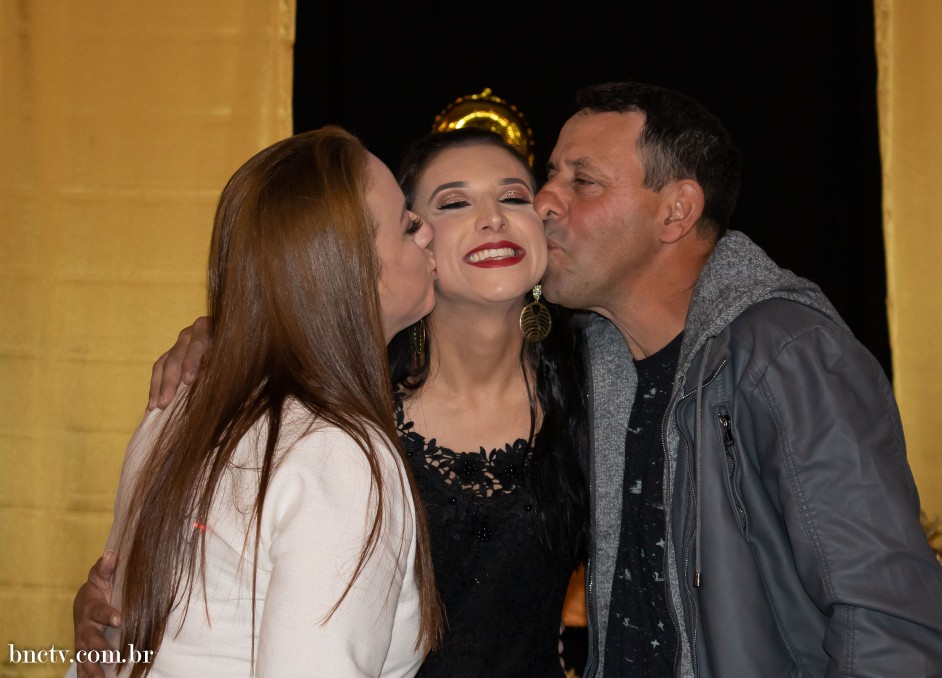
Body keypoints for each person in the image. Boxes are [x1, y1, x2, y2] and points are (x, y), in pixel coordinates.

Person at [72, 127, 590, 677]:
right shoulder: (333, 423)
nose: (493, 218)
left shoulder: (593, 385)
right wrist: (117, 622)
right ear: (357, 255)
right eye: (446, 206)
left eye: (515, 196)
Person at [533, 82, 942, 676]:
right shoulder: (596, 358)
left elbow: (894, 628)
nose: (544, 201)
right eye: (550, 176)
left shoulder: (787, 353)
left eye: (583, 182)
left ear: (676, 211)